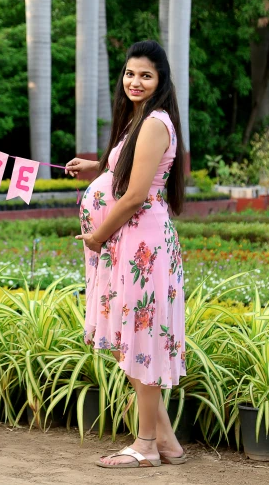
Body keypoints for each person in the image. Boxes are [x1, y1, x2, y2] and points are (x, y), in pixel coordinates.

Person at [65, 40, 188, 468]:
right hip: (132, 247)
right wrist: (96, 170)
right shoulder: (139, 120)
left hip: (142, 248)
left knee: (141, 340)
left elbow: (136, 194)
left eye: (146, 75)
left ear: (160, 81)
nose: (135, 82)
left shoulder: (154, 123)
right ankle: (167, 443)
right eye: (130, 73)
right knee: (134, 338)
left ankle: (146, 445)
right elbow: (129, 175)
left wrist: (98, 235)